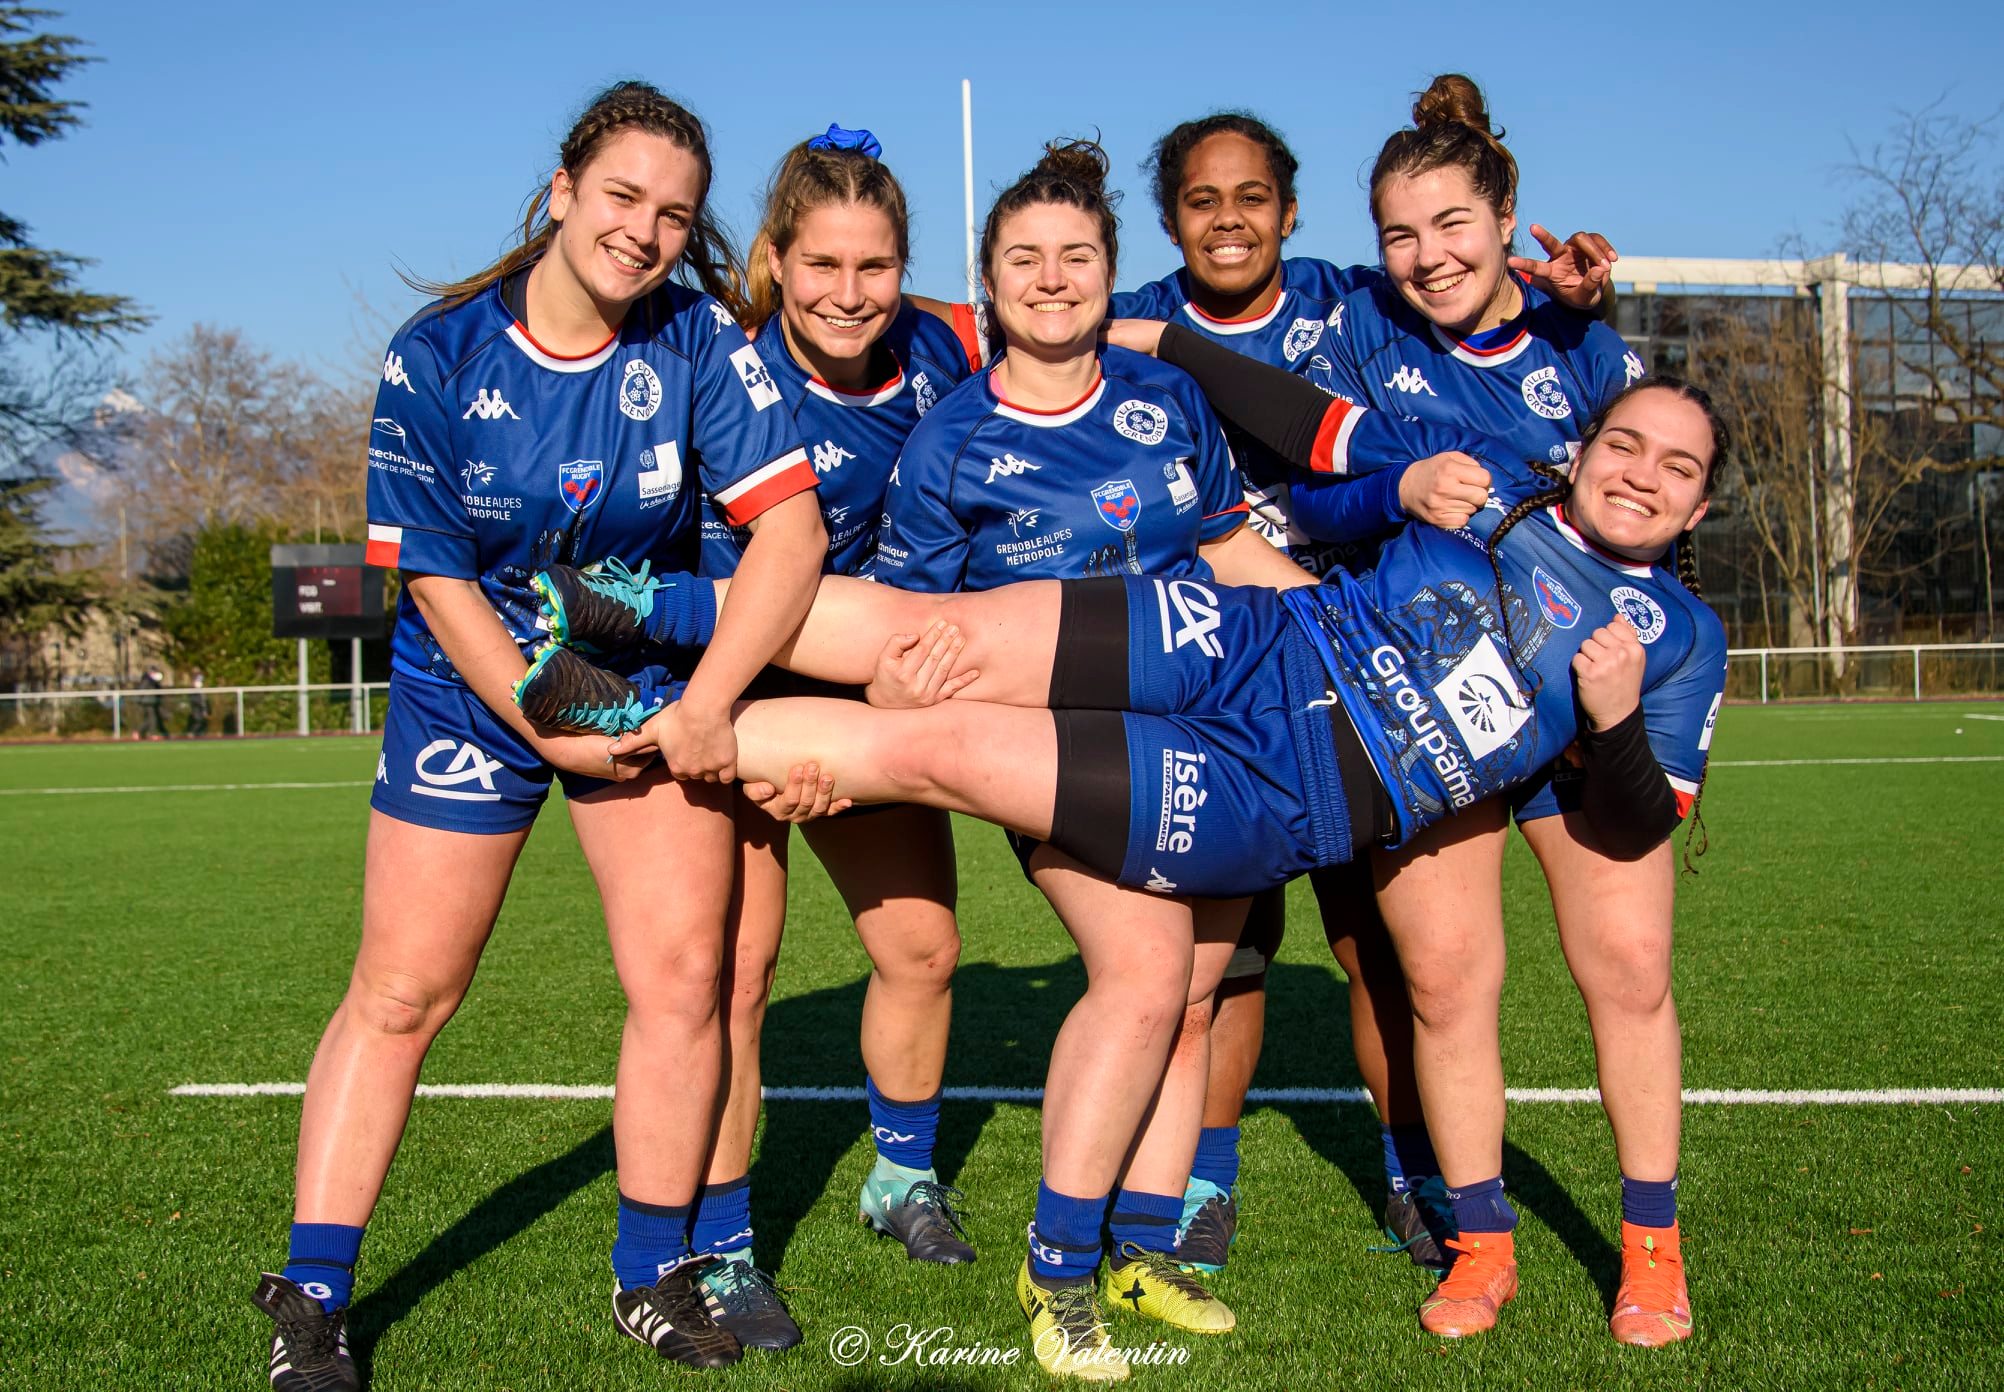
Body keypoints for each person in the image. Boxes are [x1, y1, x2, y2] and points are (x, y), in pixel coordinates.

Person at [522, 369, 1726, 1378]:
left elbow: (1636, 822)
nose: (1643, 473)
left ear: (1702, 501)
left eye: (1678, 465)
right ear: (1582, 449)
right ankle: (645, 607)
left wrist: (1612, 719)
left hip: (1288, 791)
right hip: (1250, 638)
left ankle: (640, 716)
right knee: (950, 638)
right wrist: (1398, 486)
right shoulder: (1500, 488)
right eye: (1626, 442)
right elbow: (1314, 482)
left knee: (937, 750)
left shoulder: (1678, 638)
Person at [249, 81, 825, 1390]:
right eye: (622, 197)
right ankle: (316, 1294)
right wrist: (538, 718)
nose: (646, 231)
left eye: (675, 214)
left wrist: (706, 704)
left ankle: (652, 1277)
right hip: (474, 684)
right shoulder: (438, 351)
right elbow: (438, 578)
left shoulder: (696, 343)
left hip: (635, 675)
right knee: (405, 992)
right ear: (562, 193)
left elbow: (791, 535)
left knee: (685, 982)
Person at [1107, 107, 1620, 1276]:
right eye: (1200, 200)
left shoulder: (1354, 300)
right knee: (1221, 947)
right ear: (1171, 217)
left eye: (1252, 199)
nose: (1227, 220)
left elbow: (1497, 324)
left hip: (1369, 665)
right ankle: (1202, 1182)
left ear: (1291, 213)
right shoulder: (1132, 314)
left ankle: (1414, 1172)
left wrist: (1577, 309)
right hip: (1215, 653)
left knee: (1377, 947)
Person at [1248, 74, 1686, 1346]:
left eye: (1451, 224)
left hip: (1585, 695)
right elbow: (1306, 506)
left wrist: (1596, 299)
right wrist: (1396, 490)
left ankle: (1651, 1251)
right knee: (1444, 986)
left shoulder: (1586, 343)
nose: (1426, 256)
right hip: (1426, 704)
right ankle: (1480, 1244)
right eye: (1398, 232)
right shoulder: (1355, 337)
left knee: (1630, 971)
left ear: (1506, 218)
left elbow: (1656, 491)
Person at [664, 124, 987, 1350]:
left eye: (875, 267)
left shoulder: (949, 345)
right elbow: (720, 591)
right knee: (731, 984)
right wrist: (771, 742)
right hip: (732, 697)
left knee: (923, 950)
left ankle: (901, 1178)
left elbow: (1090, 320)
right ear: (776, 261)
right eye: (823, 267)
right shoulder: (729, 376)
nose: (850, 295)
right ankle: (724, 1240)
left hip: (882, 704)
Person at [187, 668, 209, 737]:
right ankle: (192, 733)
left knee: (202, 720)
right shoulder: (193, 684)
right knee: (198, 720)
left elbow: (203, 698)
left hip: (201, 705)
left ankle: (199, 734)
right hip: (196, 705)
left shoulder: (200, 679)